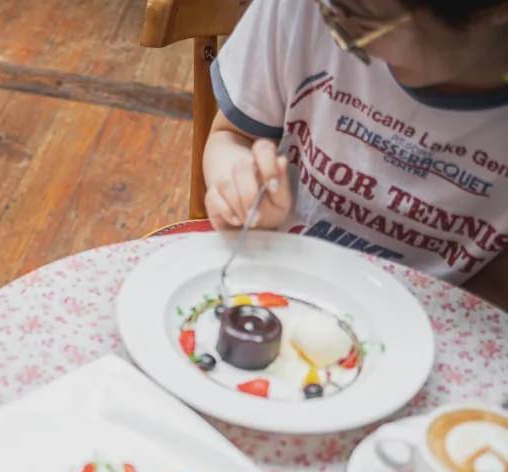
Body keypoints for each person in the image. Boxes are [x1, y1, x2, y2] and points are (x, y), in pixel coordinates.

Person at [203, 0, 508, 290]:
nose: (337, 34)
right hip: (277, 272)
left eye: (361, 17)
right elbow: (232, 136)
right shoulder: (306, 10)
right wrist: (238, 186)